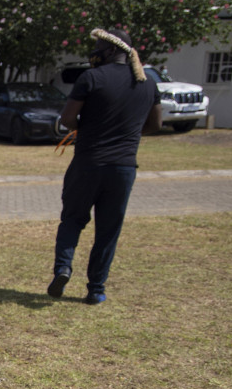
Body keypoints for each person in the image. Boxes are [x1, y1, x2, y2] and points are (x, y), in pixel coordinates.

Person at [47, 28, 161, 305]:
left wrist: (87, 127)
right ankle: (96, 289)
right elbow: (155, 124)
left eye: (98, 47)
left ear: (112, 50)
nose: (94, 52)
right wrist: (127, 133)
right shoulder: (147, 82)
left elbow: (68, 118)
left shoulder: (92, 78)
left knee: (72, 218)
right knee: (108, 229)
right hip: (123, 167)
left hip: (88, 162)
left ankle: (63, 267)